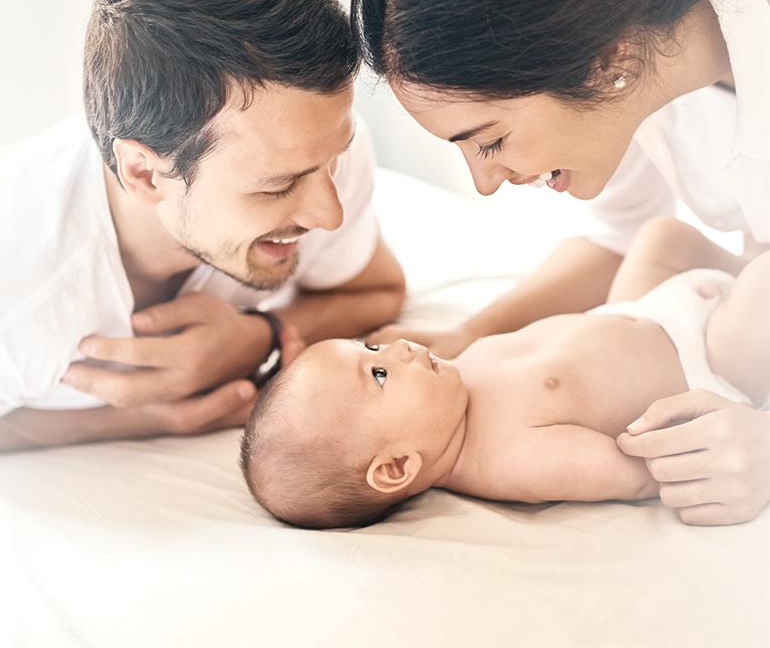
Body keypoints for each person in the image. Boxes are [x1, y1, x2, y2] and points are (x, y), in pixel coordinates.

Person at [349, 0, 770, 524]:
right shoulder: (633, 62)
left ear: (609, 64)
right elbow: (619, 235)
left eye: (489, 140)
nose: (486, 184)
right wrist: (475, 333)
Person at [0, 0, 405, 455]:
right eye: (276, 187)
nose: (328, 213)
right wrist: (130, 420)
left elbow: (377, 290)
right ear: (145, 174)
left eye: (332, 162)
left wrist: (258, 338)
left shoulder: (316, 145)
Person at [241, 220, 769, 530]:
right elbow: (639, 471)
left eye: (372, 346)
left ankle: (743, 262)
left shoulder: (454, 383)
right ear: (397, 466)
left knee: (661, 234)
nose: (399, 347)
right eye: (378, 374)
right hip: (709, 362)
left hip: (644, 310)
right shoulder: (512, 459)